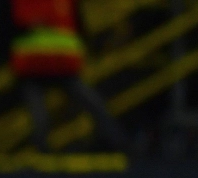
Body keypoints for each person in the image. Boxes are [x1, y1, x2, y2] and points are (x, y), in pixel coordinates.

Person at [9, 0, 127, 153]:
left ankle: (119, 143)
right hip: (35, 65)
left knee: (91, 104)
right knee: (40, 117)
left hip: (59, 64)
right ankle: (41, 154)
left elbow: (78, 23)